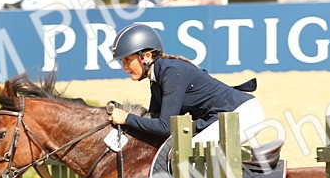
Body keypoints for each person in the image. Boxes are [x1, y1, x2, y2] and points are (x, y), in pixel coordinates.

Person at [108, 24, 265, 145]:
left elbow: (164, 127)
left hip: (243, 116)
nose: (124, 67)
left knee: (188, 157)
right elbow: (154, 118)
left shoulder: (171, 73)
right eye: (122, 62)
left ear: (146, 56)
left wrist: (127, 118)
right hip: (224, 117)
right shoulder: (156, 78)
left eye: (127, 60)